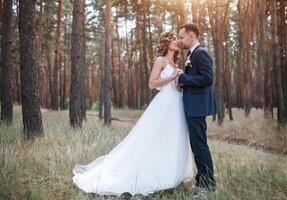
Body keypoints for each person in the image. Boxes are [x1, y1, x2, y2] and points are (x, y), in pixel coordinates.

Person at [72, 32, 197, 197]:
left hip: (177, 104)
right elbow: (152, 84)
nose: (177, 42)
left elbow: (176, 85)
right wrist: (171, 77)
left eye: (177, 40)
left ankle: (171, 174)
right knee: (155, 139)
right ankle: (150, 174)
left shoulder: (175, 63)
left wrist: (180, 80)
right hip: (165, 104)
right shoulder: (160, 60)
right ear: (166, 42)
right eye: (174, 39)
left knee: (173, 138)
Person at [177, 23, 217, 196]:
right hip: (193, 106)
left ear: (192, 36)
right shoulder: (191, 54)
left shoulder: (200, 53)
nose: (180, 40)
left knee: (200, 145)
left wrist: (183, 78)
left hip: (197, 107)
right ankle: (202, 180)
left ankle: (208, 185)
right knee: (196, 145)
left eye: (181, 36)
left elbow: (208, 79)